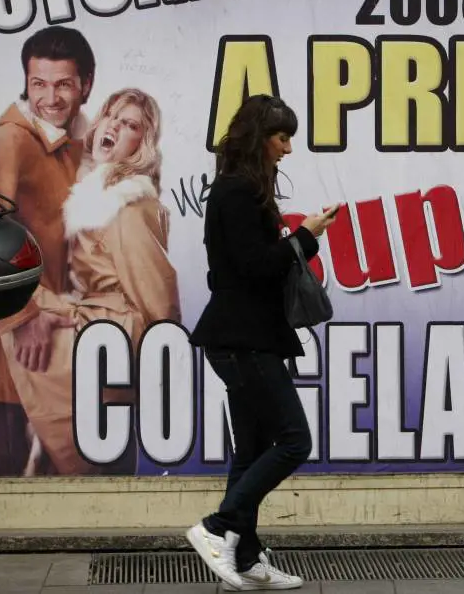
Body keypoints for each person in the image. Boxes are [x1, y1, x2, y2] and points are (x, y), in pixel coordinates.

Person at [187, 94, 339, 591]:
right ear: (259, 138)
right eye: (281, 137)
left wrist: (300, 238)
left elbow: (237, 268)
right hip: (242, 340)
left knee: (251, 451)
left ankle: (247, 558)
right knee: (295, 440)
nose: (288, 149)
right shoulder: (235, 191)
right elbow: (252, 268)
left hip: (249, 337)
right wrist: (305, 238)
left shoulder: (244, 189)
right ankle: (217, 528)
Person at [4, 87, 182, 475]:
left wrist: (162, 371)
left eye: (130, 124)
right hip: (94, 325)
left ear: (141, 145)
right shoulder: (89, 193)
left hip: (114, 335)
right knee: (18, 308)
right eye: (111, 116)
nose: (114, 126)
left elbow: (158, 298)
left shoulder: (128, 206)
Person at [0, 26, 95, 476]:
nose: (50, 98)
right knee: (1, 476)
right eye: (39, 84)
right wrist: (23, 315)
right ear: (26, 84)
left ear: (86, 84)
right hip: (6, 359)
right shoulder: (6, 143)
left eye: (63, 84)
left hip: (51, 358)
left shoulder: (72, 148)